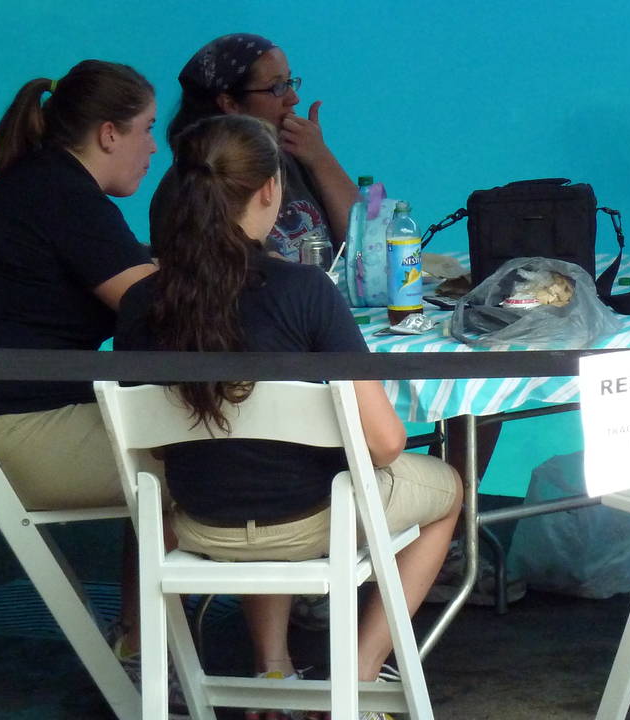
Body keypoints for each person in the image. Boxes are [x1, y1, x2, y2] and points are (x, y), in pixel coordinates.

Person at [116, 114, 460, 708]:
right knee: (447, 490)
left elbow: (149, 446)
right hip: (313, 522)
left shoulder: (144, 301)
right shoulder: (305, 292)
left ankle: (273, 672)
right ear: (271, 189)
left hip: (200, 521)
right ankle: (360, 673)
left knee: (249, 470)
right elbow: (385, 444)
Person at [0, 59, 160, 668]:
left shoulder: (45, 183)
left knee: (180, 431)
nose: (153, 148)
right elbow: (157, 308)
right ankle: (159, 650)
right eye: (147, 130)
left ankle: (142, 639)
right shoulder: (64, 196)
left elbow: (132, 268)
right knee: (213, 448)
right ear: (110, 133)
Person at [151, 33, 355, 260]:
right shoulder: (196, 181)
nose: (293, 98)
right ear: (230, 103)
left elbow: (365, 246)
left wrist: (321, 158)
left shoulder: (298, 155)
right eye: (277, 87)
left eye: (289, 82)